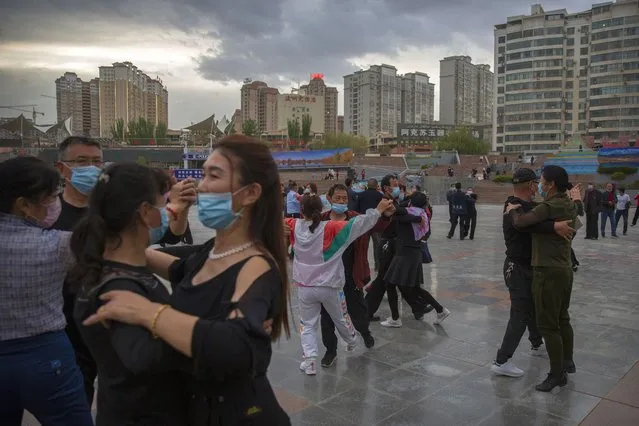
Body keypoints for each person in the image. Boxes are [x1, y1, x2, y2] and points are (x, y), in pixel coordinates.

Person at [82, 135, 291, 425]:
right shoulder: (212, 252)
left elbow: (239, 348)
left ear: (251, 193)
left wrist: (148, 313)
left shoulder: (256, 265)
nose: (202, 185)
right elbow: (176, 267)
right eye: (203, 173)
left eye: (214, 175)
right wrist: (121, 234)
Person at [71, 163, 194, 425]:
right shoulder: (119, 289)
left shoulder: (112, 266)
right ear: (146, 212)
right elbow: (144, 359)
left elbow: (183, 261)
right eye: (163, 204)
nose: (166, 211)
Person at [0, 156, 93, 426]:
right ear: (23, 206)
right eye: (51, 198)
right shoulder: (60, 245)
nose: (56, 204)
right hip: (46, 357)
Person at [285, 194, 393, 375]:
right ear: (321, 210)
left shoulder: (293, 225)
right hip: (330, 287)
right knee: (340, 317)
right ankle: (352, 340)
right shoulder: (333, 228)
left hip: (305, 287)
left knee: (308, 324)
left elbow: (268, 220)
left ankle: (310, 361)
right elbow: (360, 224)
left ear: (301, 211)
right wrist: (378, 210)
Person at [491, 168, 575, 378]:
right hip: (517, 268)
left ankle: (536, 342)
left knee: (534, 306)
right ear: (530, 185)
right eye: (536, 183)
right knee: (520, 312)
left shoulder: (532, 207)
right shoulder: (514, 207)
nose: (539, 186)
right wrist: (554, 226)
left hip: (532, 267)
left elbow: (546, 215)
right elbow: (525, 226)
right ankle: (502, 360)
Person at [319, 184, 388, 367]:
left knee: (357, 310)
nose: (341, 201)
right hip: (327, 278)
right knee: (326, 317)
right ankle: (330, 351)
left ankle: (365, 333)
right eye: (337, 198)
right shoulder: (320, 221)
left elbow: (376, 224)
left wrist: (386, 214)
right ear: (329, 197)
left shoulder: (355, 219)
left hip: (352, 274)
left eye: (344, 199)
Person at [382, 191, 450, 328]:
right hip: (413, 253)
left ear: (410, 202)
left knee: (390, 284)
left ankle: (395, 319)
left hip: (404, 254)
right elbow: (402, 214)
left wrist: (395, 210)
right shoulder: (422, 214)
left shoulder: (409, 214)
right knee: (414, 288)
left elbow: (400, 215)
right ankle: (441, 310)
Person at [357, 178, 384, 270]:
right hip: (376, 225)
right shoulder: (380, 196)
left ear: (367, 185)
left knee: (363, 247)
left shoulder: (360, 195)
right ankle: (378, 266)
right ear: (376, 186)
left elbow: (357, 210)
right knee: (377, 246)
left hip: (364, 224)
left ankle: (363, 267)